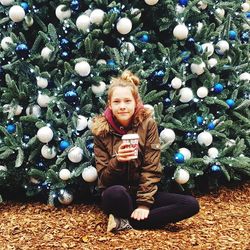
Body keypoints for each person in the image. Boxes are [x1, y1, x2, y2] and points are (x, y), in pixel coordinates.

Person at [91, 70, 199, 233]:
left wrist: (144, 204)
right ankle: (137, 220)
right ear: (110, 104)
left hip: (142, 191)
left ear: (136, 102)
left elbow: (151, 167)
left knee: (190, 204)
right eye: (117, 101)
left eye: (127, 101)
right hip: (117, 195)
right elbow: (104, 180)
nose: (122, 106)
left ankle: (126, 223)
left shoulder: (148, 125)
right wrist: (118, 160)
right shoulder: (101, 131)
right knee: (116, 193)